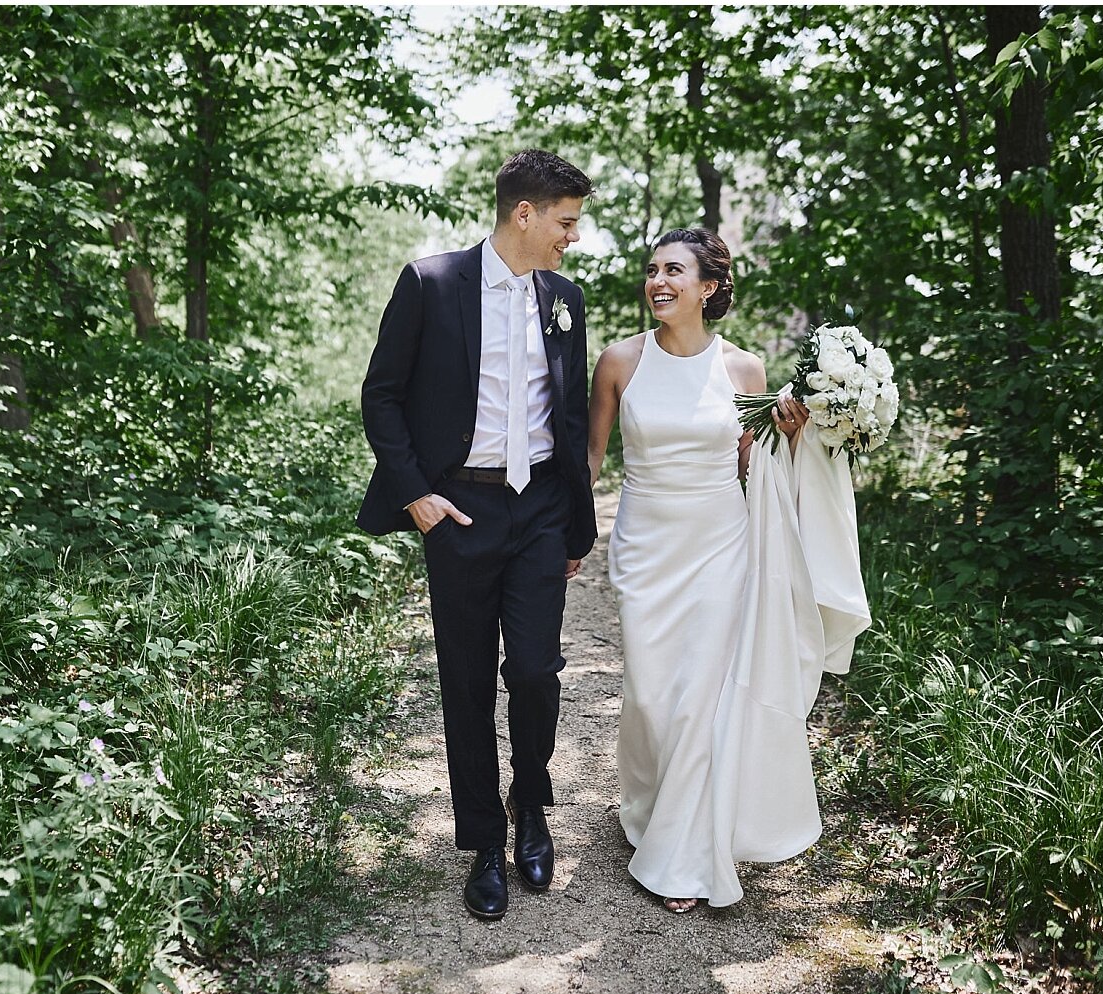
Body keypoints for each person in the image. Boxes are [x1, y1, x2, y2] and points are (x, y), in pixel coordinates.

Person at [587, 228, 864, 914]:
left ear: (707, 287)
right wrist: (557, 535)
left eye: (673, 270)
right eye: (652, 268)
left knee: (700, 697)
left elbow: (751, 462)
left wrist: (795, 431)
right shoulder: (619, 361)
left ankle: (684, 854)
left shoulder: (743, 369)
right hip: (646, 543)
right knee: (653, 696)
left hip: (720, 543)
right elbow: (589, 459)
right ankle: (649, 809)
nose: (658, 280)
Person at [357, 150, 598, 921]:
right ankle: (485, 840)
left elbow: (565, 414)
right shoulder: (431, 283)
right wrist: (417, 494)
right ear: (523, 214)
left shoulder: (565, 298)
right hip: (459, 508)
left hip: (539, 512)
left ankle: (532, 802)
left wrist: (572, 517)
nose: (572, 238)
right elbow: (382, 395)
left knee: (533, 669)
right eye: (565, 223)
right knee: (465, 679)